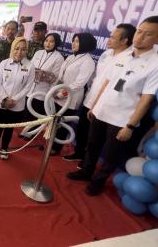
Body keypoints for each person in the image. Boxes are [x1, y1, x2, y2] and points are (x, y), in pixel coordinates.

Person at [67, 16, 158, 196]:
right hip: (102, 110)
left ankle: (98, 181)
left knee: (110, 154)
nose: (139, 37)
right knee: (92, 145)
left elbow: (146, 99)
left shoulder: (155, 63)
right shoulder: (123, 55)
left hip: (122, 119)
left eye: (147, 35)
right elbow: (107, 82)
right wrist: (95, 105)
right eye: (139, 31)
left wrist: (130, 125)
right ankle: (86, 171)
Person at [63, 24, 136, 163]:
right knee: (83, 130)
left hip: (105, 104)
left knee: (95, 138)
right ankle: (79, 153)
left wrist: (98, 102)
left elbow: (117, 85)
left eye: (113, 37)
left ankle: (87, 162)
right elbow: (97, 77)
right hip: (90, 97)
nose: (109, 39)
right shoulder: (106, 54)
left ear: (124, 40)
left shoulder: (130, 59)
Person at [0, 37, 35, 159]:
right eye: (17, 48)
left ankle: (4, 148)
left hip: (17, 104)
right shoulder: (4, 63)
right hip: (1, 102)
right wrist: (5, 98)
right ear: (12, 48)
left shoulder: (30, 66)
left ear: (27, 51)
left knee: (9, 128)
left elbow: (28, 86)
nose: (19, 52)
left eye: (23, 49)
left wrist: (14, 99)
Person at [51, 33, 96, 154]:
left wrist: (61, 94)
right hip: (59, 93)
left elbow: (78, 84)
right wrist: (55, 90)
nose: (73, 43)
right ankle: (50, 142)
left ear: (85, 43)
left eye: (77, 41)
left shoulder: (88, 62)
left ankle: (56, 148)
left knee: (63, 124)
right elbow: (61, 75)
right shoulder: (71, 57)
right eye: (73, 41)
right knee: (54, 121)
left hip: (71, 98)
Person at [24, 33, 64, 121]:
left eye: (51, 41)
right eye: (46, 41)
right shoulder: (38, 52)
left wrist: (39, 73)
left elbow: (55, 78)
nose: (48, 43)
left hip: (42, 93)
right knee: (25, 116)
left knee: (35, 117)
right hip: (30, 90)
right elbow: (30, 67)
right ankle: (24, 132)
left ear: (56, 43)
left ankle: (29, 134)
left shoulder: (59, 58)